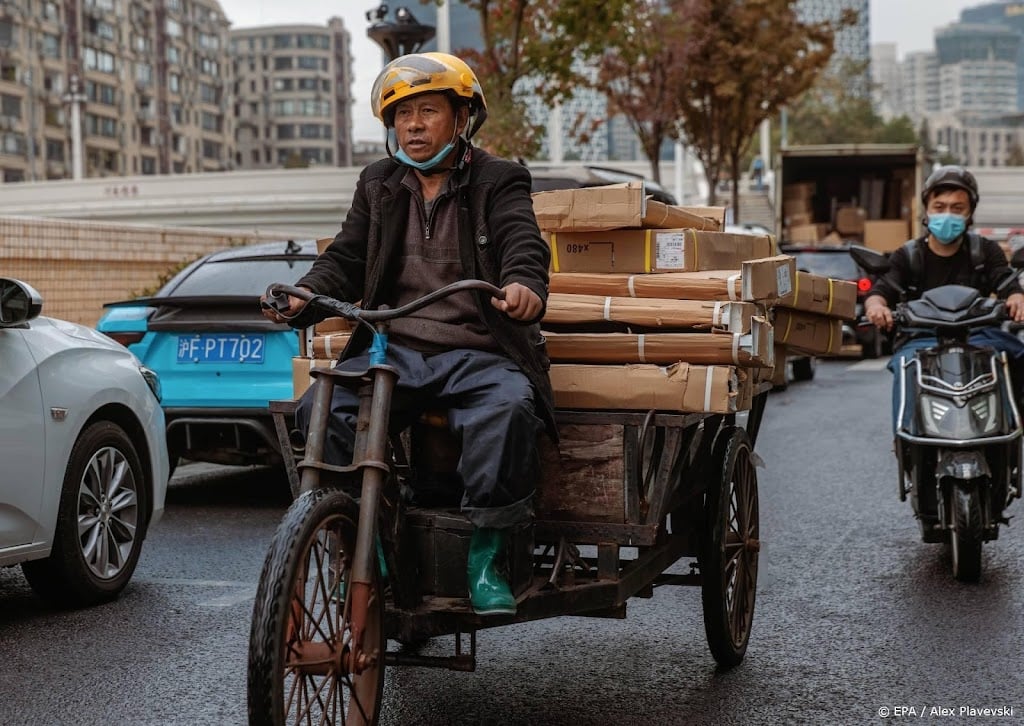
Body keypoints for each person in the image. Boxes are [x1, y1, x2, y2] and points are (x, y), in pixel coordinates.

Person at [261, 52, 555, 616]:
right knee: (320, 409)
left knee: (509, 411)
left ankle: (487, 554)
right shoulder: (379, 183)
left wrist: (523, 285)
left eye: (426, 111)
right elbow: (345, 258)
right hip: (392, 349)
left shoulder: (499, 179)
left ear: (462, 116)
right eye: (401, 115)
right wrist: (303, 296)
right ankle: (369, 537)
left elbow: (523, 243)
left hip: (480, 350)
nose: (413, 125)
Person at [863, 165, 1024, 434]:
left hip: (979, 336)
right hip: (921, 338)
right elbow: (880, 291)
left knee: (1016, 355)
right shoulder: (908, 255)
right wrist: (876, 307)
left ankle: (1012, 428)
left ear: (970, 212)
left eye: (957, 208)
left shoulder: (986, 250)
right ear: (927, 210)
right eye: (940, 206)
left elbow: (1007, 283)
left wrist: (1017, 298)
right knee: (906, 367)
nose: (947, 214)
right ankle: (904, 438)